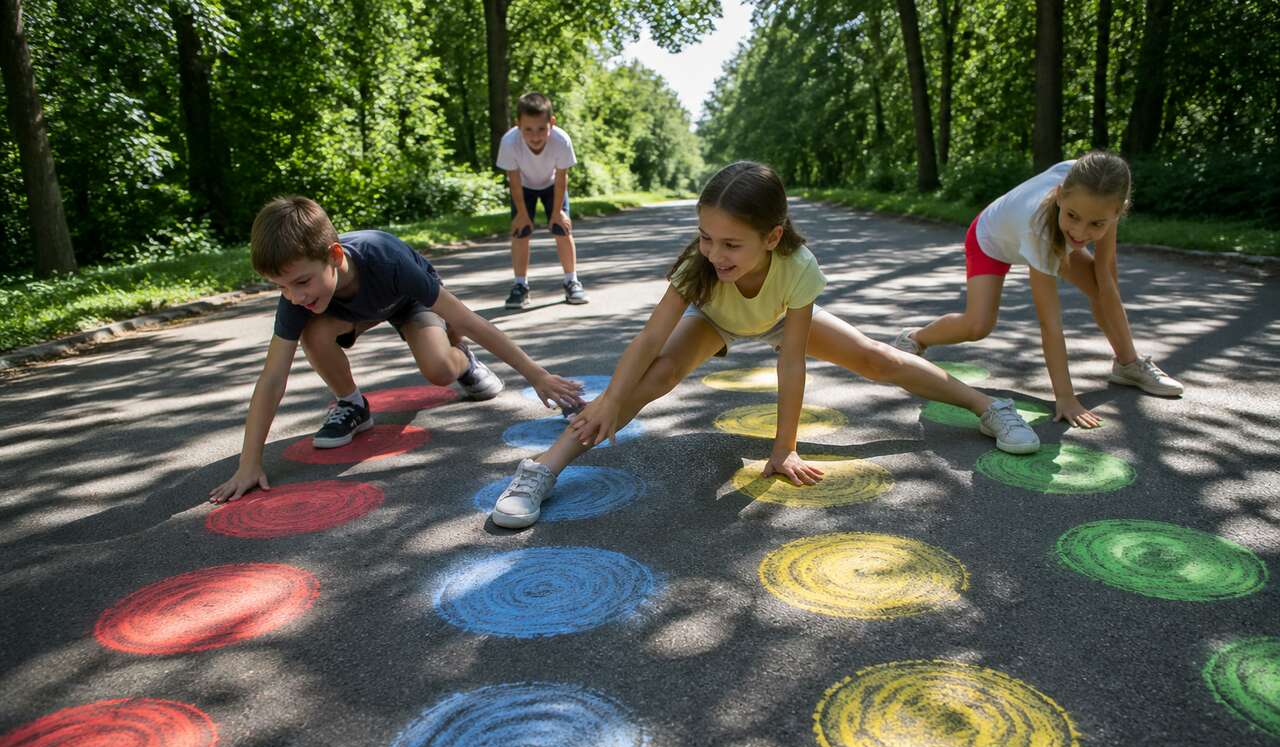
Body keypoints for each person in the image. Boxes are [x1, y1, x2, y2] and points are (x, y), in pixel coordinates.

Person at [489, 161, 1041, 529]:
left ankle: (989, 406)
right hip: (716, 318)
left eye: (731, 243)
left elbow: (793, 362)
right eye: (706, 237)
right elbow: (651, 337)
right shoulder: (700, 267)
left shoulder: (796, 267)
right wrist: (610, 398)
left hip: (777, 317)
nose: (713, 251)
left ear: (772, 237)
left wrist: (784, 448)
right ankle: (542, 468)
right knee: (651, 378)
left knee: (878, 359)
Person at [209, 196, 583, 503]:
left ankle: (462, 360)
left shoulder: (386, 259)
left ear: (335, 256)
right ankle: (352, 404)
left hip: (407, 302)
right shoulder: (300, 296)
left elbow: (467, 318)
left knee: (438, 370)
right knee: (313, 334)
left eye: (301, 281)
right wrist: (249, 462)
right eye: (282, 287)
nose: (294, 295)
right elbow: (273, 376)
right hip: (349, 312)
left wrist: (536, 374)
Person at [890, 151, 1183, 428]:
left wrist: (1123, 345)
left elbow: (1106, 279)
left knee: (1100, 286)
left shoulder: (1101, 188)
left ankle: (1128, 365)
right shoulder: (1041, 228)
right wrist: (1066, 397)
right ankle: (915, 338)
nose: (1081, 233)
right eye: (1073, 216)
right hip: (990, 239)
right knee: (978, 325)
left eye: (1097, 224)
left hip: (1050, 233)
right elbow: (1049, 323)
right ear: (1059, 195)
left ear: (1118, 211)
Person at [496, 92, 586, 310]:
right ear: (518, 125)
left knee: (561, 228)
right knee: (520, 230)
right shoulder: (509, 142)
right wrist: (522, 214)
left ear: (551, 124)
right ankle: (520, 286)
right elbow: (514, 180)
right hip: (523, 186)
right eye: (528, 129)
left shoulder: (561, 140)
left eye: (541, 129)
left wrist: (557, 213)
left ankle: (571, 280)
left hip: (552, 185)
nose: (535, 136)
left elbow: (562, 176)